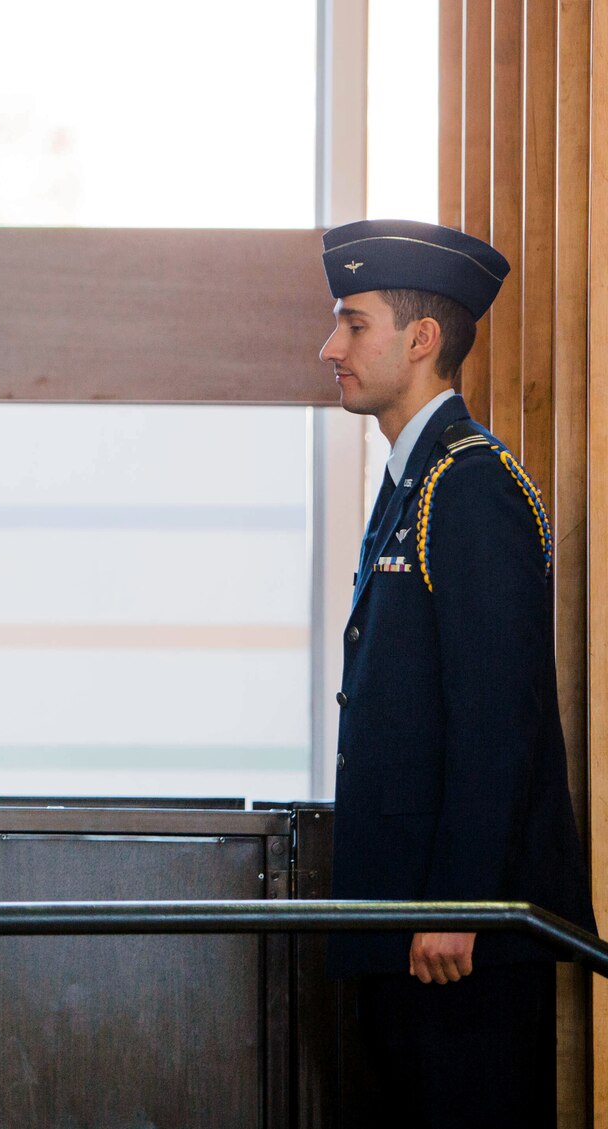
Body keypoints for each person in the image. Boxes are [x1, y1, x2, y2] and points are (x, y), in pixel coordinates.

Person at [317, 220, 593, 1126]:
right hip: (404, 919)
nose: (333, 347)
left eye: (354, 324)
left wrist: (459, 902)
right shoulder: (414, 479)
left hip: (452, 936)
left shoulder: (468, 484)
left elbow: (496, 718)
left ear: (422, 339)